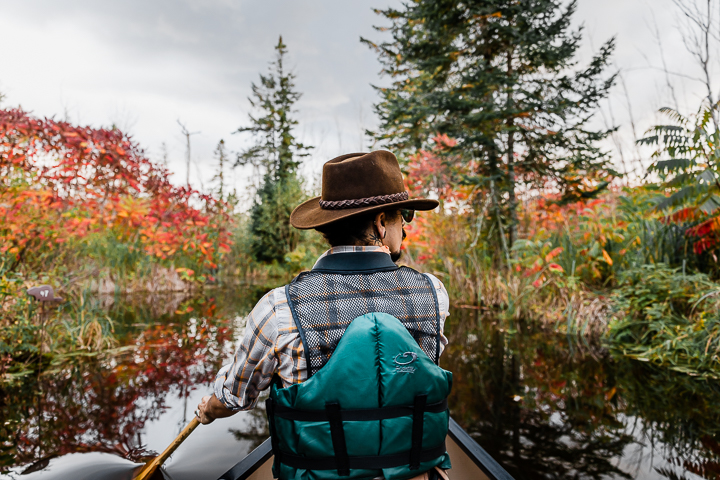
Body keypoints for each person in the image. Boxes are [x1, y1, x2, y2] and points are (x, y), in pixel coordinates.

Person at [197, 151, 452, 480]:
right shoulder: (433, 293)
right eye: (402, 216)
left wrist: (210, 407)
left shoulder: (279, 307)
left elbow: (236, 395)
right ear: (380, 221)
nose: (404, 228)